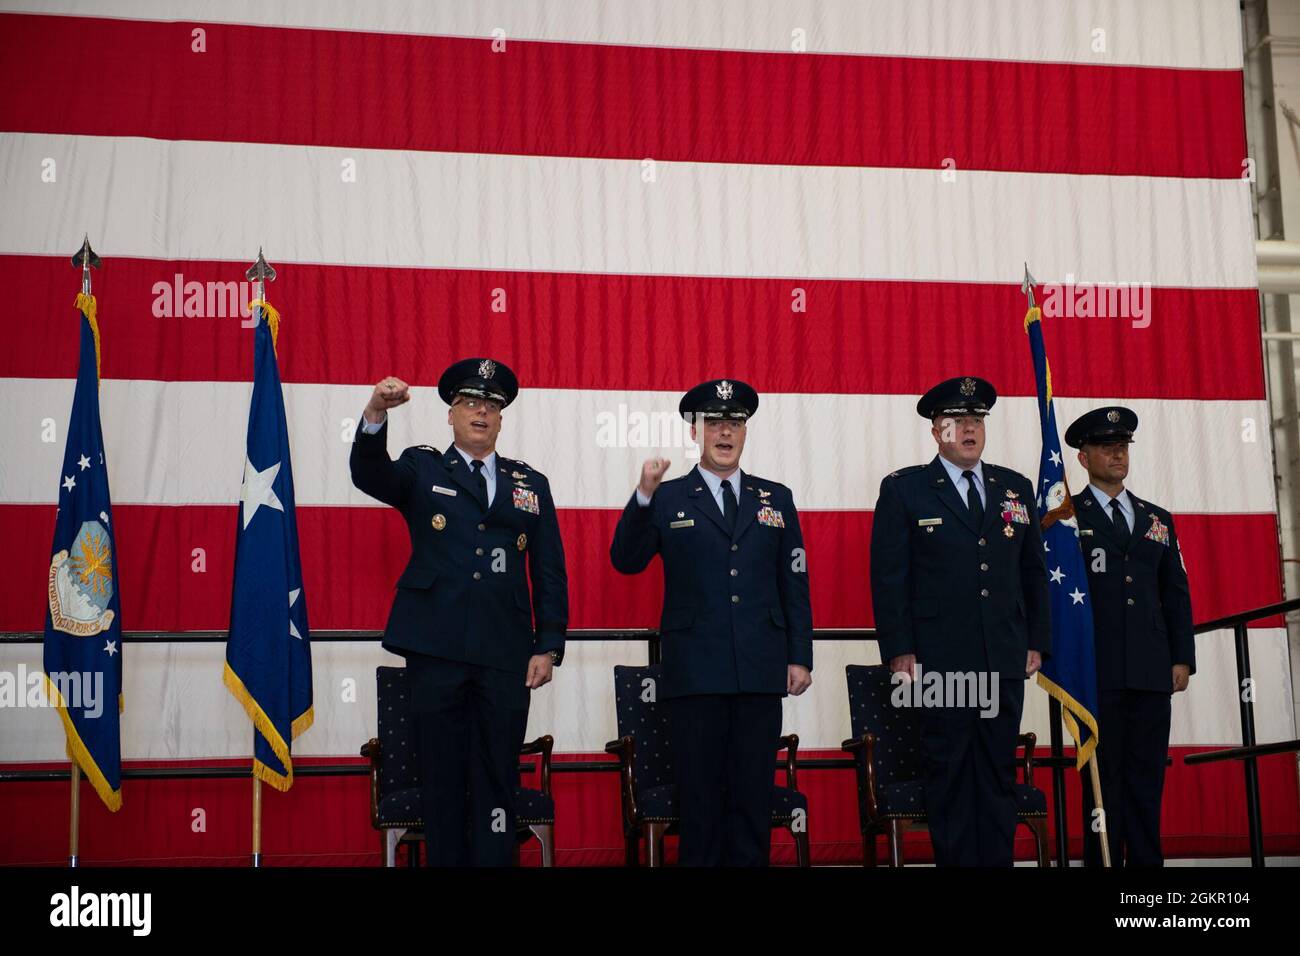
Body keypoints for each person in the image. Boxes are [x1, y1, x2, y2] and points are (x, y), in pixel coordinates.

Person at [350, 358, 568, 866]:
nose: (481, 412)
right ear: (450, 414)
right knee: (442, 776)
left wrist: (549, 644)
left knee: (497, 776)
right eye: (470, 402)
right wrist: (376, 412)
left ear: (501, 418)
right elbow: (369, 474)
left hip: (506, 651)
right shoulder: (423, 466)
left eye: (491, 405)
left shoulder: (529, 483)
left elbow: (550, 570)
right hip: (437, 647)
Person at [610, 378, 813, 865]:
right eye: (714, 423)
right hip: (695, 675)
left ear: (745, 432)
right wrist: (642, 494)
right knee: (699, 804)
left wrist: (799, 658)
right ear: (695, 432)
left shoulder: (775, 498)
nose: (725, 432)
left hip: (760, 673)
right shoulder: (668, 496)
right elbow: (625, 559)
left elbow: (795, 582)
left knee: (751, 801)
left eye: (734, 423)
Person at [870, 375, 1051, 866]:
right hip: (939, 660)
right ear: (936, 430)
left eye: (976, 419)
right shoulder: (905, 490)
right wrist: (900, 649)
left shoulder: (1013, 487)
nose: (968, 428)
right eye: (957, 420)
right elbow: (890, 579)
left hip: (1003, 655)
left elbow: (1033, 570)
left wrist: (1036, 640)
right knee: (949, 772)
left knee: (996, 771)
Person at [1065, 405, 1194, 867]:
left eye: (1122, 446)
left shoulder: (1156, 518)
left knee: (1145, 784)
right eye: (1106, 446)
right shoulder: (1066, 518)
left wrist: (1181, 657)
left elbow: (1174, 591)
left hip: (1150, 670)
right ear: (1084, 457)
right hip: (1094, 673)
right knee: (1102, 786)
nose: (1118, 454)